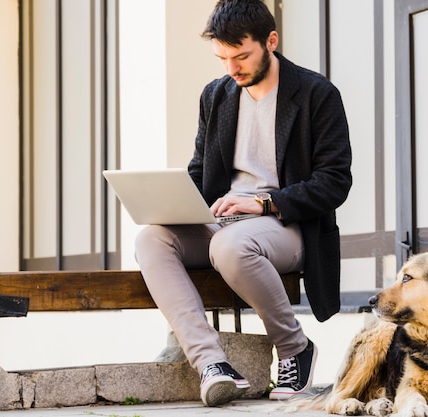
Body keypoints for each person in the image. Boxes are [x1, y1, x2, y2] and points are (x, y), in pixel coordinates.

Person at [134, 0, 352, 407]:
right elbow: (200, 172)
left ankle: (294, 348)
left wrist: (266, 204)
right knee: (151, 240)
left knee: (230, 246)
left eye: (241, 56)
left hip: (288, 226)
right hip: (225, 220)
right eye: (222, 58)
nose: (232, 69)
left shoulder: (316, 94)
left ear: (271, 41)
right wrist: (175, 203)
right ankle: (212, 364)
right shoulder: (216, 96)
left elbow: (335, 182)